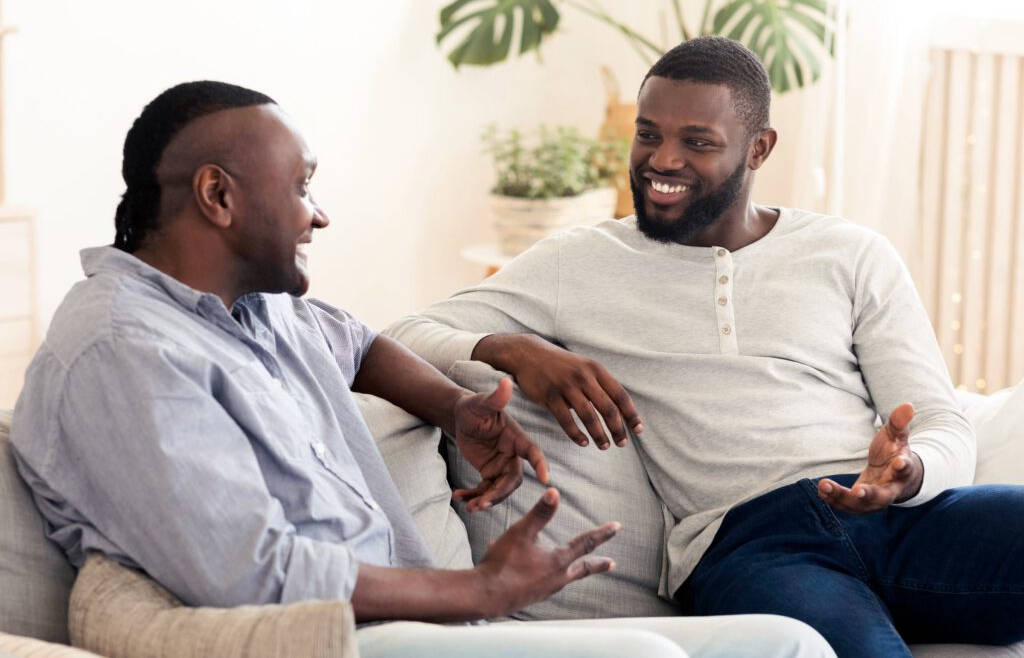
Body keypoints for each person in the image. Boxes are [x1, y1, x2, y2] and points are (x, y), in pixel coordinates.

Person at [10, 80, 835, 658]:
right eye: (301, 187)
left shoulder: (258, 308)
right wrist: (477, 590)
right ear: (218, 196)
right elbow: (249, 573)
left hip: (426, 631)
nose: (319, 213)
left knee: (790, 641)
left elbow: (358, 343)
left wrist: (453, 408)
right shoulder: (122, 348)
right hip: (339, 643)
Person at [385, 36, 1024, 657]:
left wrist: (908, 474)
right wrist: (516, 349)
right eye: (648, 134)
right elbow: (400, 335)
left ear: (758, 149)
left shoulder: (850, 253)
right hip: (751, 547)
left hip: (899, 519)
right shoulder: (577, 262)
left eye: (697, 142)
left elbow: (940, 422)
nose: (662, 160)